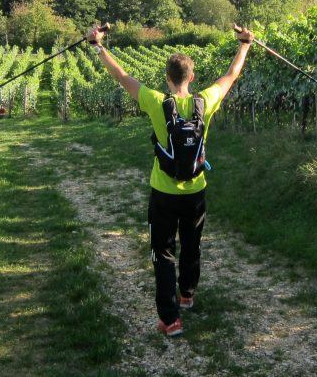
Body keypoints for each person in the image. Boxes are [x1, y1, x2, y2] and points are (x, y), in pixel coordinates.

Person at [85, 24, 254, 336]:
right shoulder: (206, 100)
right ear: (191, 77)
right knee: (191, 244)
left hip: (163, 192)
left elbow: (122, 76)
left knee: (163, 253)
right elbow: (231, 76)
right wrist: (244, 44)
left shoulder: (155, 101)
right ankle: (187, 294)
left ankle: (170, 319)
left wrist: (98, 46)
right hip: (196, 191)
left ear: (167, 77)